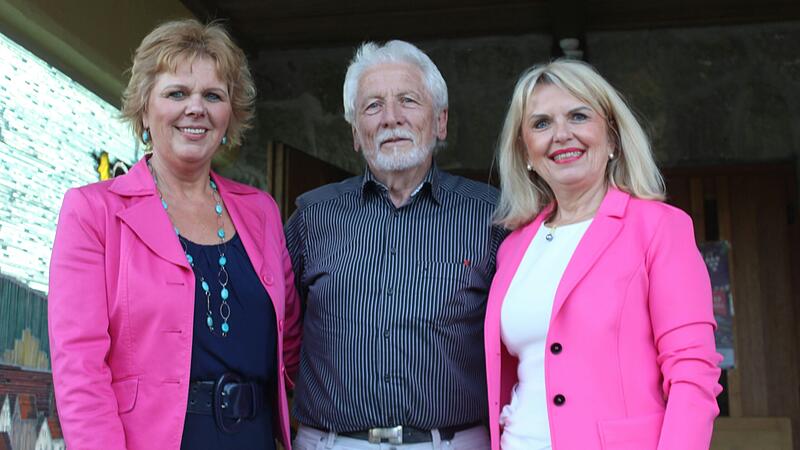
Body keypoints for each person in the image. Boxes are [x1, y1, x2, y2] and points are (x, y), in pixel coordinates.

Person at [48, 19, 301, 450]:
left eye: (213, 95)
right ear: (145, 108)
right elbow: (80, 370)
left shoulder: (262, 212)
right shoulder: (93, 212)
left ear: (230, 115)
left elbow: (292, 343)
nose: (196, 108)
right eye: (177, 93)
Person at [485, 59, 723, 450]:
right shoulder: (513, 247)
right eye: (541, 123)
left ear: (612, 137)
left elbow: (693, 373)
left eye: (578, 116)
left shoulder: (659, 227)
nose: (561, 135)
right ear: (525, 150)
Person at [286, 40, 506, 449]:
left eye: (408, 100)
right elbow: (279, 330)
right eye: (373, 106)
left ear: (440, 121)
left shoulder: (491, 215)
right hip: (333, 443)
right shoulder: (312, 216)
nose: (391, 118)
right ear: (356, 133)